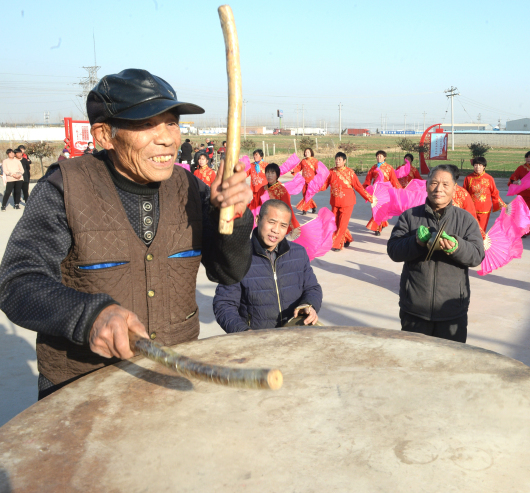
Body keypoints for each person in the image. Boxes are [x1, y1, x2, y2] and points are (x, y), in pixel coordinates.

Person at [0, 68, 254, 400]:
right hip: (83, 388)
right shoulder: (64, 189)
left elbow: (229, 271)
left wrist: (232, 217)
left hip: (171, 380)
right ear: (105, 135)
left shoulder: (190, 188)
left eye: (172, 122)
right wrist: (88, 316)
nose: (167, 138)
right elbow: (17, 281)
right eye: (147, 124)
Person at [387, 164, 485, 343]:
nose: (439, 189)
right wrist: (415, 242)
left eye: (445, 184)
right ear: (426, 186)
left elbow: (477, 255)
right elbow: (393, 250)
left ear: (455, 188)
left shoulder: (466, 220)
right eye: (434, 183)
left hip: (452, 311)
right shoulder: (410, 216)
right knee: (414, 362)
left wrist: (456, 247)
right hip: (414, 310)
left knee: (449, 365)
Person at [213, 199, 322, 332]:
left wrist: (308, 305)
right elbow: (224, 304)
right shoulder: (237, 257)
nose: (276, 230)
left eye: (283, 225)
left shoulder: (298, 253)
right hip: (259, 340)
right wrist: (243, 333)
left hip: (294, 335)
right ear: (258, 219)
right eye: (271, 222)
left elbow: (312, 288)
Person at [321, 151, 372, 251]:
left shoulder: (350, 172)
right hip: (335, 202)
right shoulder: (331, 172)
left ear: (344, 161)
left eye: (340, 159)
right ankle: (346, 238)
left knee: (342, 223)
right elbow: (324, 185)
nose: (337, 161)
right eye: (336, 159)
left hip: (347, 202)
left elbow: (358, 187)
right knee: (335, 222)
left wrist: (369, 198)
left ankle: (337, 244)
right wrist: (314, 186)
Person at [364, 150, 402, 235]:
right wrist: (366, 186)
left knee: (381, 209)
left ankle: (377, 229)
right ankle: (382, 224)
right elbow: (368, 178)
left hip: (385, 193)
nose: (378, 158)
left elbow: (394, 180)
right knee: (375, 209)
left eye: (380, 156)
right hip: (376, 192)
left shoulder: (389, 168)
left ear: (384, 157)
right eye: (377, 156)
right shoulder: (373, 167)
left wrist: (400, 190)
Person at [464, 157, 505, 233]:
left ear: (484, 166)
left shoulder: (489, 178)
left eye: (480, 165)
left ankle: (480, 243)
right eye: (476, 165)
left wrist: (502, 204)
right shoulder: (468, 178)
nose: (477, 167)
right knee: (471, 228)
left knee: (481, 230)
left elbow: (494, 193)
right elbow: (464, 193)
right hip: (471, 208)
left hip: (484, 209)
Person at [262, 163, 300, 236]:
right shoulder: (262, 189)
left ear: (277, 175)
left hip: (276, 222)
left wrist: (293, 225)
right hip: (264, 222)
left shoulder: (282, 191)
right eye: (267, 172)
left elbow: (287, 208)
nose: (269, 175)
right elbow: (255, 204)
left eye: (272, 173)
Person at [292, 147, 319, 215]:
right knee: (305, 195)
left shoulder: (315, 161)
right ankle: (313, 207)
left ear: (311, 153)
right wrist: (293, 170)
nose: (307, 153)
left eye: (308, 152)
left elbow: (318, 171)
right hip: (304, 181)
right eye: (305, 152)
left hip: (312, 182)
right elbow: (298, 168)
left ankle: (304, 209)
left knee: (308, 195)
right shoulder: (303, 161)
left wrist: (318, 180)